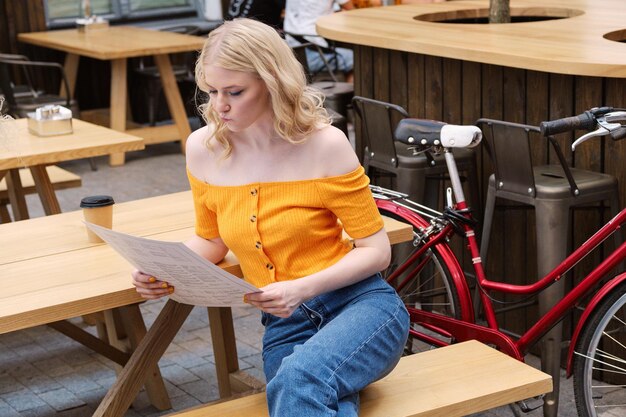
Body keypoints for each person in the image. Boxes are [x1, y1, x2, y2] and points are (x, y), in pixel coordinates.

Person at [131, 18, 409, 416]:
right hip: (285, 325)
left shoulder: (324, 145)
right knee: (310, 395)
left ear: (272, 82)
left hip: (362, 309)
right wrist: (162, 269)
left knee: (297, 382)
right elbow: (211, 240)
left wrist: (301, 288)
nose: (218, 105)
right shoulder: (203, 149)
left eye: (235, 91)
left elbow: (377, 251)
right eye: (211, 91)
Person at [283, 0, 355, 82]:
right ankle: (350, 93)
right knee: (357, 60)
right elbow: (352, 11)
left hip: (289, 54)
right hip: (313, 54)